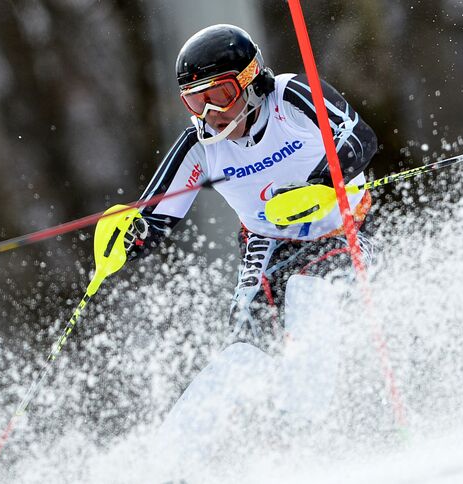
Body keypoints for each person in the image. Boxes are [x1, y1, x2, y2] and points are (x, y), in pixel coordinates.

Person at [124, 23, 376, 356]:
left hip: (344, 225)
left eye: (220, 96)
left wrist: (320, 183)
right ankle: (251, 395)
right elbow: (153, 220)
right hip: (266, 240)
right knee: (245, 337)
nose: (211, 114)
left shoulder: (289, 97)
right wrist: (127, 240)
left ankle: (328, 368)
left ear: (251, 81)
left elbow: (360, 137)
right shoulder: (199, 146)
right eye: (196, 102)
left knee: (317, 296)